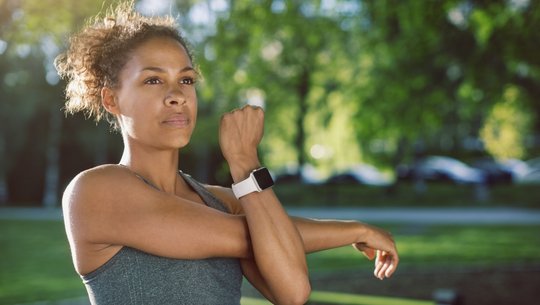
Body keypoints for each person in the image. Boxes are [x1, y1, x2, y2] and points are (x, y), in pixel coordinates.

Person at [55, 2, 398, 305]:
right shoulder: (95, 192)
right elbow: (249, 236)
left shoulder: (224, 202)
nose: (177, 95)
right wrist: (245, 161)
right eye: (153, 81)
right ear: (111, 99)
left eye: (186, 80)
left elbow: (293, 291)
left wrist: (248, 175)